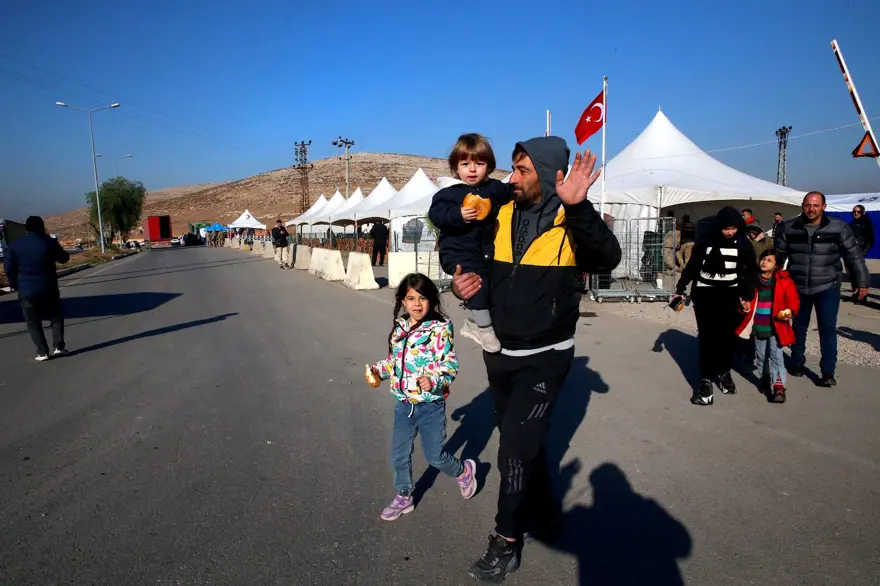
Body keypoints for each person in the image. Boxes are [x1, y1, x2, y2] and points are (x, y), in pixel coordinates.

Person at [451, 138, 621, 582]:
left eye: (523, 170)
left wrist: (580, 208)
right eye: (512, 168)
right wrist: (460, 283)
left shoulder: (572, 219)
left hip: (545, 357)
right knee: (522, 441)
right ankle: (543, 507)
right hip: (499, 354)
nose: (513, 177)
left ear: (545, 175)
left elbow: (608, 257)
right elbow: (467, 256)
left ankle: (506, 540)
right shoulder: (500, 211)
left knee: (514, 448)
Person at [367, 273, 477, 521]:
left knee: (435, 456)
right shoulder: (401, 327)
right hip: (404, 405)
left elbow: (449, 365)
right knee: (398, 454)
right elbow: (395, 362)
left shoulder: (440, 327)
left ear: (432, 300)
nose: (417, 304)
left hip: (430, 406)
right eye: (411, 298)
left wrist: (434, 380)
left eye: (423, 298)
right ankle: (404, 495)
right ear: (403, 301)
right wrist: (378, 370)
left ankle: (463, 471)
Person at [775, 192, 870, 386]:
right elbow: (777, 257)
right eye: (808, 205)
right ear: (802, 206)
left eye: (816, 205)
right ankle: (797, 362)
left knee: (827, 329)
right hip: (798, 286)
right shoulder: (789, 227)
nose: (811, 209)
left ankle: (828, 372)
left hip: (827, 286)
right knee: (798, 327)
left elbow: (854, 255)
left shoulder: (838, 227)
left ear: (824, 207)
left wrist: (861, 282)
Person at [428, 133, 511, 353]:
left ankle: (474, 322)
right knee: (475, 282)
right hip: (457, 251)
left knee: (492, 285)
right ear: (456, 167)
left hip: (484, 249)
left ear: (489, 166)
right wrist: (457, 214)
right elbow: (436, 214)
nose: (472, 170)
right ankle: (484, 328)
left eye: (479, 163)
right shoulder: (448, 192)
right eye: (465, 164)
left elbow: (511, 191)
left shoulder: (493, 188)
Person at [673, 206, 758, 406]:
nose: (730, 232)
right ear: (719, 226)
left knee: (727, 337)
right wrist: (681, 288)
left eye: (734, 228)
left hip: (730, 295)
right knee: (708, 338)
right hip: (705, 296)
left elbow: (748, 272)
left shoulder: (743, 245)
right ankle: (705, 380)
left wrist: (746, 295)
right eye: (726, 228)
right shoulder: (705, 243)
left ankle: (723, 371)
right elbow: (692, 267)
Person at [2, 216, 70, 360]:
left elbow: (8, 269)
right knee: (55, 316)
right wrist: (53, 245)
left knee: (33, 321)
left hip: (26, 290)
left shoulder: (15, 246)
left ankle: (42, 352)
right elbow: (64, 258)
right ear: (42, 227)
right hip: (49, 288)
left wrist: (15, 284)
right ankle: (59, 347)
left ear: (27, 228)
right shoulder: (48, 242)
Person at [736, 249, 799, 403]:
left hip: (776, 328)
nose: (764, 262)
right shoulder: (752, 280)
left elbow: (794, 304)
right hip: (758, 326)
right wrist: (744, 307)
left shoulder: (784, 282)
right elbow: (745, 303)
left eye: (769, 260)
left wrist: (785, 314)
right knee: (761, 356)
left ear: (776, 265)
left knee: (776, 356)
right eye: (763, 259)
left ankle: (779, 388)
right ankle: (765, 378)